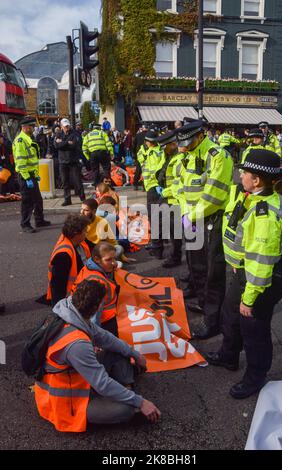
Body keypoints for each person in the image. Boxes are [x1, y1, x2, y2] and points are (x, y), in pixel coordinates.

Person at [206, 149, 282, 399]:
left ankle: (255, 377)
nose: (240, 175)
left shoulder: (265, 214)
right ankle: (228, 356)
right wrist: (236, 262)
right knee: (230, 314)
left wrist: (249, 297)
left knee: (255, 331)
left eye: (245, 173)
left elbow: (261, 262)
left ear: (257, 180)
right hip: (243, 272)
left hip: (260, 281)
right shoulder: (250, 196)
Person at [35, 279, 161, 432]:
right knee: (125, 410)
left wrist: (134, 354)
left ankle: (126, 392)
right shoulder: (77, 344)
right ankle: (128, 398)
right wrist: (140, 402)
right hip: (68, 401)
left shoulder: (69, 311)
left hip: (76, 377)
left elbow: (105, 338)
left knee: (119, 352)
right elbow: (102, 384)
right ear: (96, 308)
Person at [175, 121, 233, 339]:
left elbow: (214, 194)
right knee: (195, 265)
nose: (185, 147)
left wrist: (192, 215)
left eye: (189, 142)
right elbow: (179, 187)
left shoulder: (218, 156)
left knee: (212, 272)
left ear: (200, 136)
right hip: (191, 219)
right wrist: (184, 212)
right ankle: (204, 304)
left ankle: (214, 320)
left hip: (211, 219)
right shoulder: (185, 156)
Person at [72, 242, 120, 335]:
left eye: (114, 258)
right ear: (97, 259)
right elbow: (93, 317)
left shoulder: (90, 265)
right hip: (105, 320)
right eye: (109, 260)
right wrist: (95, 338)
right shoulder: (97, 283)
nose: (114, 263)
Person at [13, 116, 51, 233]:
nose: (33, 128)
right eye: (32, 126)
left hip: (31, 175)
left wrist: (35, 174)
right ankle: (25, 224)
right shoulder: (20, 141)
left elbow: (32, 160)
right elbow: (21, 162)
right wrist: (27, 177)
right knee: (27, 201)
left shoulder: (29, 139)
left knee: (37, 199)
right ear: (25, 127)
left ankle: (39, 220)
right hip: (25, 176)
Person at [47, 214, 91, 307]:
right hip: (72, 294)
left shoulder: (80, 241)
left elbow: (95, 249)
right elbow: (57, 285)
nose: (86, 233)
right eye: (85, 231)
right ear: (76, 233)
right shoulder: (63, 256)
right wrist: (60, 307)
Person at [155, 130, 184, 268]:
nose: (163, 150)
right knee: (169, 228)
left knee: (175, 231)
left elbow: (179, 183)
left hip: (174, 199)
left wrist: (164, 192)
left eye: (165, 146)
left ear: (172, 144)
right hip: (167, 197)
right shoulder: (170, 156)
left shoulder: (178, 158)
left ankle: (176, 257)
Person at [138, 130, 164, 258]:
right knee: (159, 216)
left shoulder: (153, 152)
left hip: (153, 188)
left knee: (154, 218)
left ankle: (157, 247)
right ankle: (159, 243)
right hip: (157, 188)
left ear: (148, 142)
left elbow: (154, 171)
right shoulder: (158, 150)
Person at [54, 118, 85, 206]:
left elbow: (74, 145)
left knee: (77, 181)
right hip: (62, 162)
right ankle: (67, 199)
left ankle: (83, 198)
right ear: (61, 127)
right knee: (65, 181)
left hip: (73, 161)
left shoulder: (74, 133)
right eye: (65, 126)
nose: (66, 127)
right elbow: (56, 145)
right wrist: (67, 143)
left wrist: (62, 143)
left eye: (67, 126)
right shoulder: (58, 134)